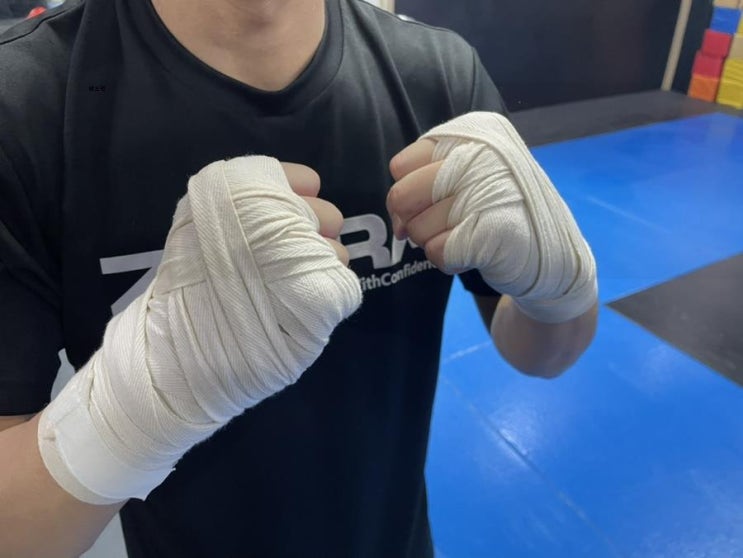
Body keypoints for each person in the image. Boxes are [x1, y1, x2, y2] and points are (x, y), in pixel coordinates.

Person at [0, 0, 599, 556]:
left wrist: (560, 288)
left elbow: (545, 356)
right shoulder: (24, 100)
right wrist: (142, 397)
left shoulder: (439, 73)